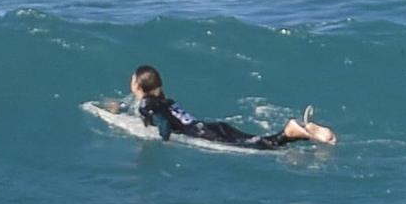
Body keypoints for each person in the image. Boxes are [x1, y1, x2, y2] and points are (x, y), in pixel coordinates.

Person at [128, 65, 336, 149]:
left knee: (257, 147)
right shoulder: (166, 100)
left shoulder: (147, 104)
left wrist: (162, 142)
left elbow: (164, 125)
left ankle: (289, 132)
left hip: (203, 134)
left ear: (137, 84)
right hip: (210, 126)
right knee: (255, 140)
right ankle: (303, 132)